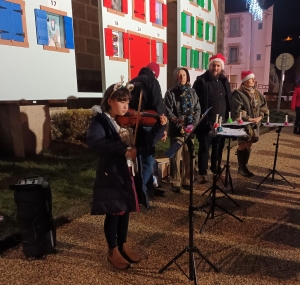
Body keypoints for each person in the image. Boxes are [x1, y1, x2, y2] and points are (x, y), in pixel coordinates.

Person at [86, 77, 167, 270]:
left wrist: (159, 126)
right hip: (112, 173)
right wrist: (122, 150)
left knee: (126, 210)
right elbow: (95, 142)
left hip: (129, 171)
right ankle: (112, 250)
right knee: (114, 212)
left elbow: (145, 142)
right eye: (122, 101)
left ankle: (123, 244)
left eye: (128, 102)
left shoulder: (125, 122)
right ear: (110, 101)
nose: (126, 106)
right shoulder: (100, 121)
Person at [192, 54, 232, 184]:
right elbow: (194, 101)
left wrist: (229, 118)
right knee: (204, 148)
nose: (215, 68)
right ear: (210, 66)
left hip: (221, 122)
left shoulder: (224, 81)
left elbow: (228, 100)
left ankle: (216, 171)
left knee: (218, 148)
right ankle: (202, 173)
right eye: (213, 65)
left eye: (218, 65)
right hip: (205, 122)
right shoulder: (201, 81)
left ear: (221, 67)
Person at [129, 63, 167, 198]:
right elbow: (158, 105)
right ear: (155, 73)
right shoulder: (152, 81)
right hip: (148, 124)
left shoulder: (132, 81)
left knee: (140, 158)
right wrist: (163, 128)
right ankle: (142, 192)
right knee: (147, 160)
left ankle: (149, 187)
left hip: (133, 124)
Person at [165, 67, 200, 192]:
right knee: (175, 157)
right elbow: (169, 112)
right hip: (177, 130)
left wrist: (192, 125)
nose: (181, 77)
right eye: (179, 75)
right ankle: (175, 181)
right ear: (175, 77)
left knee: (189, 155)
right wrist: (180, 125)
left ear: (187, 77)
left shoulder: (192, 92)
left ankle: (187, 180)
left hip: (190, 130)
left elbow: (197, 109)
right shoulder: (170, 93)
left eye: (184, 75)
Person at [231, 71, 269, 177]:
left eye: (254, 78)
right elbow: (237, 110)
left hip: (254, 124)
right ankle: (241, 167)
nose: (254, 80)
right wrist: (249, 118)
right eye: (251, 79)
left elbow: (263, 107)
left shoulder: (257, 93)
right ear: (245, 81)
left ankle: (245, 166)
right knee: (242, 144)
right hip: (243, 124)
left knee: (249, 143)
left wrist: (260, 117)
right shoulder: (238, 94)